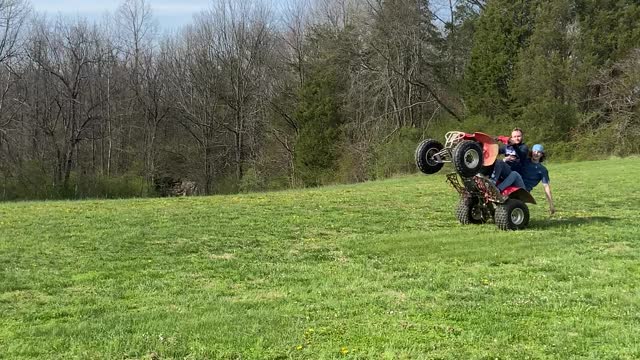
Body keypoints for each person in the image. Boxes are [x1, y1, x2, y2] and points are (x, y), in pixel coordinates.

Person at [521, 144, 556, 214]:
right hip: (514, 183)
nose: (536, 154)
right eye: (534, 151)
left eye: (539, 152)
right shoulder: (524, 161)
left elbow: (546, 187)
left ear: (542, 154)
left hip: (524, 190)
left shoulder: (543, 170)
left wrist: (551, 205)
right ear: (532, 152)